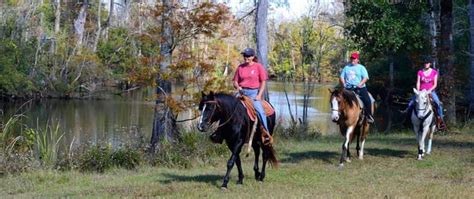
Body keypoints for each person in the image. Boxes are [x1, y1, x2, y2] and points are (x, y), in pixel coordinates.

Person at [233, 48, 270, 133]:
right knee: (227, 106)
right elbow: (235, 81)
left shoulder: (258, 66)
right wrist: (238, 87)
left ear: (253, 56)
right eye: (245, 56)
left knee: (260, 111)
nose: (246, 57)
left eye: (248, 56)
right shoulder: (240, 67)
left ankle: (266, 133)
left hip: (253, 93)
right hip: (241, 92)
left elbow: (263, 82)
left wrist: (259, 95)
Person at [402, 56, 445, 128]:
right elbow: (418, 82)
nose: (426, 64)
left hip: (430, 92)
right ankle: (406, 120)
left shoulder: (434, 72)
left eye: (427, 63)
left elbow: (435, 84)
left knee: (438, 103)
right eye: (425, 63)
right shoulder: (420, 72)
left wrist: (429, 91)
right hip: (421, 92)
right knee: (411, 104)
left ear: (430, 63)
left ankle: (440, 120)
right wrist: (418, 91)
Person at [339, 52, 374, 123]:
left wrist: (360, 84)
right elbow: (341, 77)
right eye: (352, 58)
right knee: (338, 99)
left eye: (354, 58)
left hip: (360, 88)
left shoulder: (361, 67)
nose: (353, 60)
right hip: (348, 88)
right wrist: (344, 84)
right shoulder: (346, 67)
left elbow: (366, 77)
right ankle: (338, 116)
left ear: (357, 59)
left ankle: (369, 116)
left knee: (367, 100)